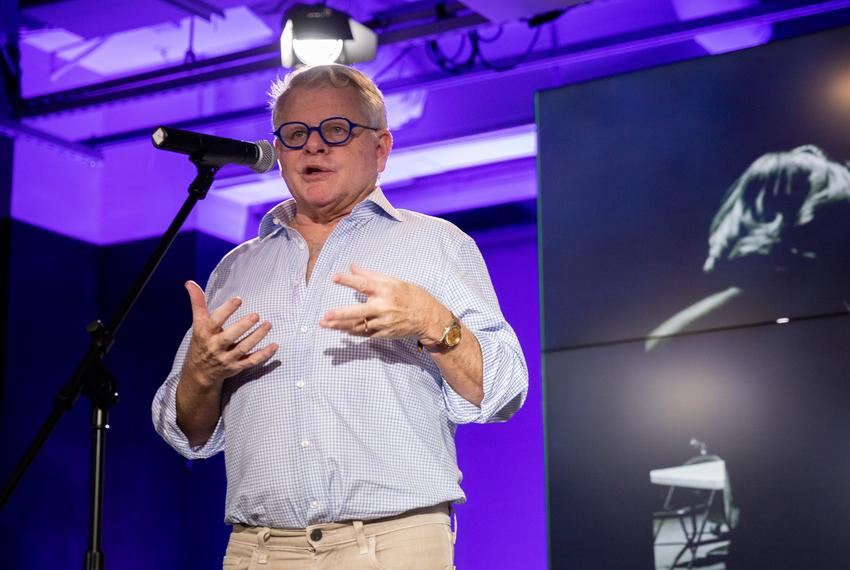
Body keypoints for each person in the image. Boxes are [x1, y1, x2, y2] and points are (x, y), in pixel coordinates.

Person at [151, 64, 528, 569]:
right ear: (279, 150)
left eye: (336, 130)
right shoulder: (236, 270)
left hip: (392, 546)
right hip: (257, 550)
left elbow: (503, 391)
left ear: (380, 149)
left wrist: (433, 321)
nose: (314, 146)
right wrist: (202, 374)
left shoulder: (434, 245)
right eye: (295, 133)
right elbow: (189, 434)